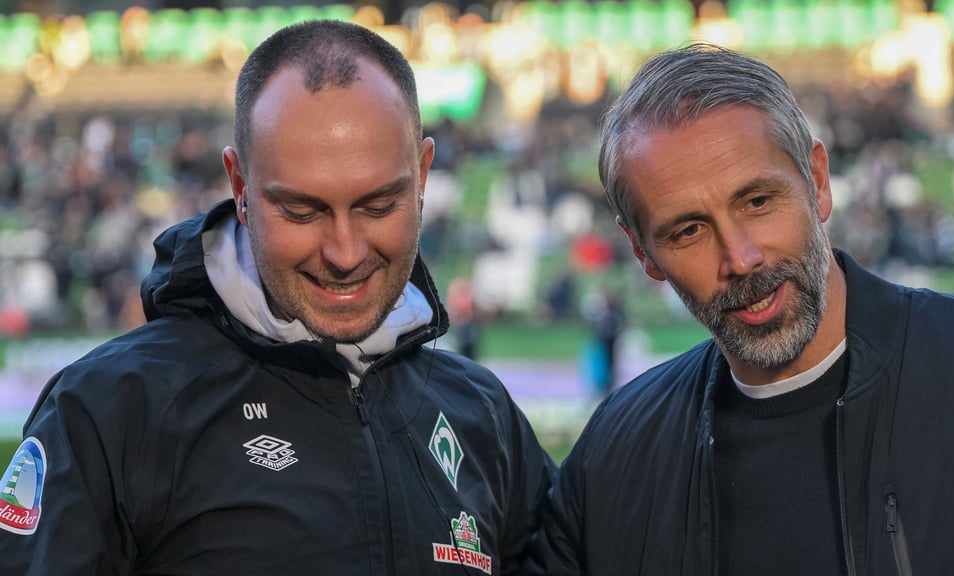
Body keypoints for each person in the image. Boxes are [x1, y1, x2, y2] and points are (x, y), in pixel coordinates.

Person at [0, 20, 554, 574]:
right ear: (240, 187)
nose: (344, 252)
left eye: (378, 206)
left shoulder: (483, 414)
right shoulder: (109, 410)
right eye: (302, 211)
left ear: (424, 175)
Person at [527, 43, 954, 576]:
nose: (740, 258)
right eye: (689, 230)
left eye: (758, 202)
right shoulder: (612, 460)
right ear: (642, 252)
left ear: (818, 182)